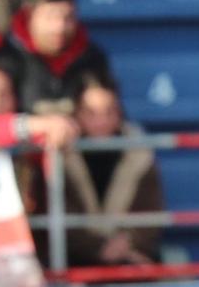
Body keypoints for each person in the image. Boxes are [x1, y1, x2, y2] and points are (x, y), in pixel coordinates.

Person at [60, 79, 164, 267]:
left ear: (120, 113)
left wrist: (127, 243)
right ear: (76, 114)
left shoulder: (140, 154)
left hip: (130, 258)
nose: (101, 121)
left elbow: (150, 213)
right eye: (91, 113)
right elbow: (60, 216)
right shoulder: (59, 156)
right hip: (75, 261)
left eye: (109, 111)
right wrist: (99, 248)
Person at [0, 0, 115, 113]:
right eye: (50, 17)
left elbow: (110, 116)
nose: (59, 27)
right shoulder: (6, 58)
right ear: (29, 18)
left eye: (68, 17)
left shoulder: (91, 58)